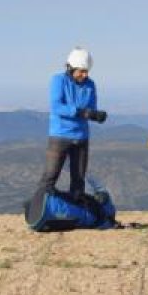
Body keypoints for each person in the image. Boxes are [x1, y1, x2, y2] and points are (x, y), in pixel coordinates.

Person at [37, 47, 107, 200]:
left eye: (86, 71)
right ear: (71, 68)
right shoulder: (58, 80)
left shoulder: (90, 85)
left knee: (78, 179)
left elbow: (91, 109)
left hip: (81, 137)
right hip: (60, 135)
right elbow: (56, 106)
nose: (85, 75)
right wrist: (81, 112)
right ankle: (41, 207)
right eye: (81, 71)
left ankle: (76, 212)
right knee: (50, 175)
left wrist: (96, 115)